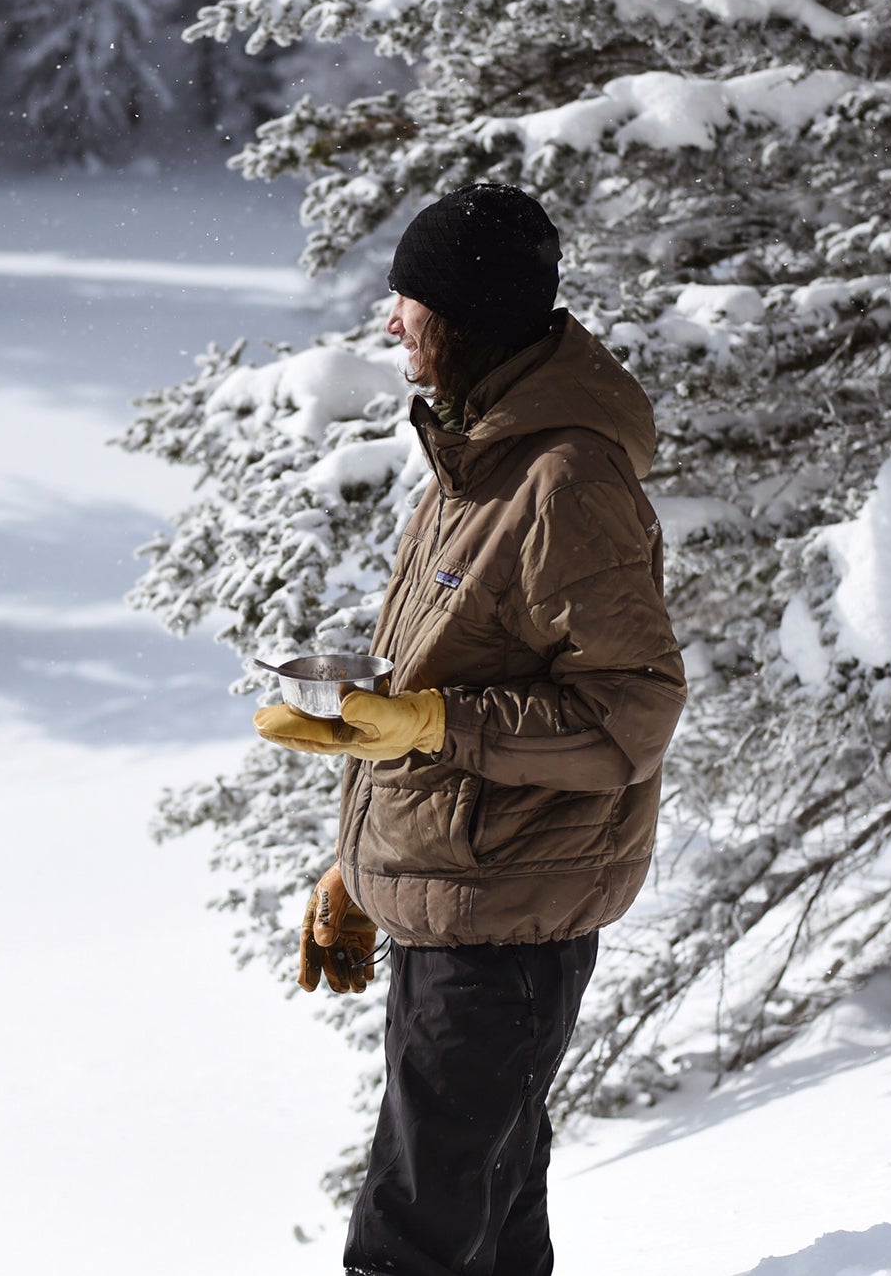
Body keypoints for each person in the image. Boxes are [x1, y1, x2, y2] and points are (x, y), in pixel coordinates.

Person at [254, 183, 687, 1276]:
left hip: (511, 921)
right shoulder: (474, 462)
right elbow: (448, 688)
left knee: (415, 1235)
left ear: (465, 314)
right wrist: (357, 867)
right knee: (486, 1221)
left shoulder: (561, 481)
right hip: (467, 902)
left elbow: (626, 714)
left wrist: (429, 721)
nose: (390, 321)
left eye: (409, 300)